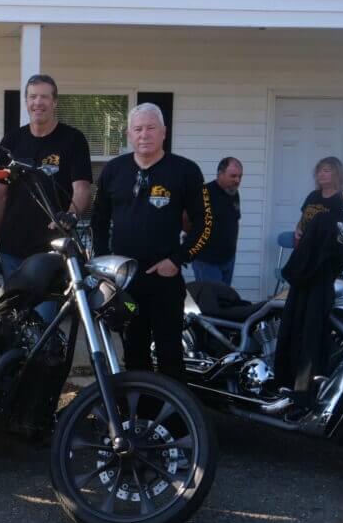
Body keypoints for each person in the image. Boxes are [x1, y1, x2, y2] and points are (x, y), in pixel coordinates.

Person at [91, 103, 210, 376]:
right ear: (128, 135)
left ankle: (174, 405)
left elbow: (205, 224)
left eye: (150, 128)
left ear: (163, 132)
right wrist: (104, 266)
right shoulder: (113, 170)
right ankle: (139, 404)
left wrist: (178, 259)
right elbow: (98, 221)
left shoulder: (186, 171)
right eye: (138, 129)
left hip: (165, 278)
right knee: (134, 354)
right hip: (125, 282)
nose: (144, 134)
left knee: (170, 355)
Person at [0, 74, 92, 320]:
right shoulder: (12, 141)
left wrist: (71, 215)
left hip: (50, 250)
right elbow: (0, 196)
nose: (38, 102)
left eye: (44, 97)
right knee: (13, 322)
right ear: (26, 102)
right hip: (12, 249)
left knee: (42, 323)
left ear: (55, 102)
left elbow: (82, 189)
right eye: (32, 97)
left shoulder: (73, 139)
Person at [190, 156, 242, 285]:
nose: (237, 180)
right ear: (220, 174)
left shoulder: (234, 193)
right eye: (233, 176)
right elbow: (185, 219)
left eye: (240, 176)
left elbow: (234, 221)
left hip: (228, 258)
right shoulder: (204, 193)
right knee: (210, 296)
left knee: (224, 295)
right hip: (206, 260)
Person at [295, 156, 343, 246]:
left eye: (326, 171)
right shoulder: (313, 195)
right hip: (304, 243)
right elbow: (303, 218)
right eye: (318, 171)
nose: (320, 174)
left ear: (338, 174)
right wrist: (298, 228)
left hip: (327, 248)